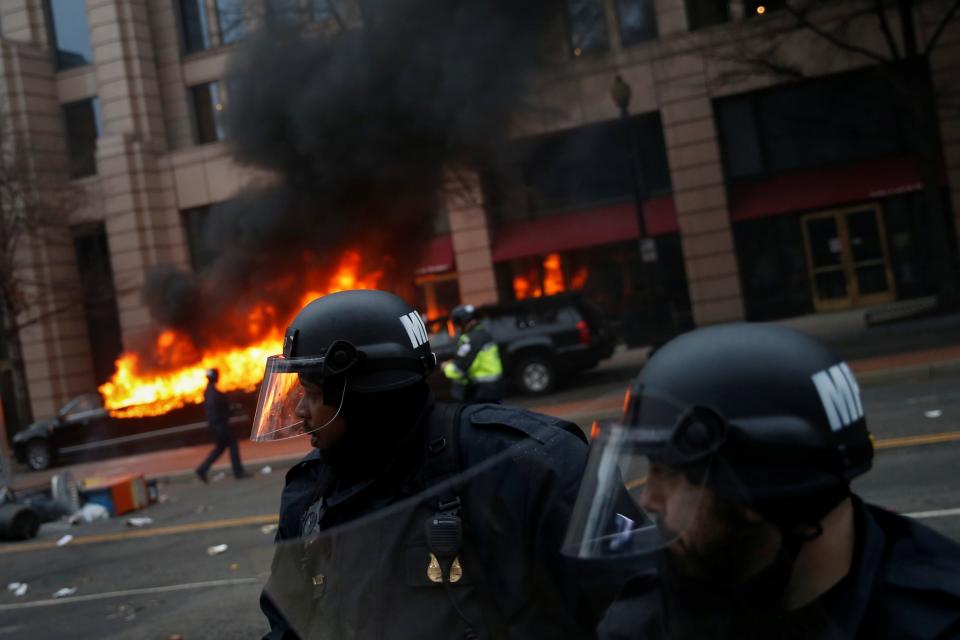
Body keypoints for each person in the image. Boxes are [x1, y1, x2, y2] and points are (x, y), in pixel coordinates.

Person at [254, 290, 625, 640]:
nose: (301, 411)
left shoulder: (530, 465)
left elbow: (639, 605)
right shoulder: (310, 493)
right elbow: (287, 627)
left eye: (315, 394)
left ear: (368, 396)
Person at [563, 324, 960, 640]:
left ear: (761, 486)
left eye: (670, 472)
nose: (647, 498)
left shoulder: (935, 621)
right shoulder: (652, 616)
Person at [442, 303, 504, 402]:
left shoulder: (470, 340)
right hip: (493, 388)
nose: (457, 328)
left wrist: (446, 367)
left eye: (456, 324)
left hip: (482, 391)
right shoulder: (482, 333)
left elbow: (460, 369)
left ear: (462, 322)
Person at [195, 368, 246, 481]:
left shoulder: (208, 392)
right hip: (221, 425)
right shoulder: (215, 394)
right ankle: (238, 472)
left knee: (220, 448)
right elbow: (221, 410)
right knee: (233, 445)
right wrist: (233, 409)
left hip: (215, 425)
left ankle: (202, 469)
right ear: (215, 377)